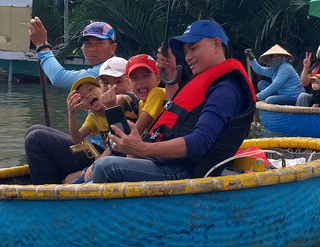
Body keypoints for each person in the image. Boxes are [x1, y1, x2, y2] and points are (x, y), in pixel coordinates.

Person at [91, 20, 256, 183]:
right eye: (185, 52)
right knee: (108, 158)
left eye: (193, 48)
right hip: (166, 162)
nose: (188, 57)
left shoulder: (225, 89)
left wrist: (142, 148)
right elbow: (175, 121)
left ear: (216, 44)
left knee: (107, 167)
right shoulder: (207, 82)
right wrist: (170, 75)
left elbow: (200, 142)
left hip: (186, 172)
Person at [24, 76, 110, 184]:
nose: (88, 95)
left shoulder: (116, 106)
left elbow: (115, 145)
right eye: (82, 97)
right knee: (32, 130)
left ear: (103, 89)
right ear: (83, 107)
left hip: (103, 155)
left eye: (91, 89)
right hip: (93, 152)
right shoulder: (93, 117)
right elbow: (76, 139)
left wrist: (95, 164)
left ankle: (47, 190)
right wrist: (71, 113)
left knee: (35, 138)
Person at [29, 18, 117, 90]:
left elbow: (59, 78)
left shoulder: (109, 69)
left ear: (113, 48)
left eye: (99, 43)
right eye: (87, 43)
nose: (92, 49)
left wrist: (42, 46)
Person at [125, 54, 166, 134]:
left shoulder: (158, 93)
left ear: (158, 79)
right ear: (128, 83)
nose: (141, 81)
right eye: (135, 78)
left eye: (146, 76)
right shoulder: (141, 103)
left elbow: (137, 130)